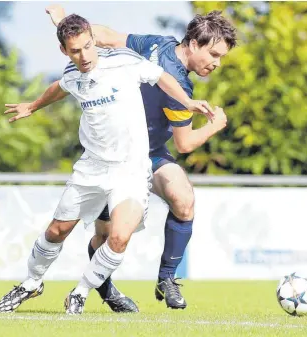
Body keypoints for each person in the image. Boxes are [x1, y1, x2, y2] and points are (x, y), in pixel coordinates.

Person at [0, 13, 214, 315]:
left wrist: (188, 103)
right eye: (75, 50)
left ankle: (81, 292)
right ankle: (32, 283)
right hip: (92, 168)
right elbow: (60, 87)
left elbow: (161, 77)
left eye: (88, 46)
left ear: (93, 41)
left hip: (131, 170)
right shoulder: (73, 73)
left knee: (119, 237)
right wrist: (32, 106)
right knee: (57, 232)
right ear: (65, 51)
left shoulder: (124, 62)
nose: (84, 56)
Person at [46, 6, 236, 310]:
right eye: (214, 54)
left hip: (151, 154)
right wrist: (215, 126)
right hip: (114, 156)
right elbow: (185, 144)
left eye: (221, 58)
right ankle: (107, 291)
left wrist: (64, 22)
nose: (217, 63)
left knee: (183, 199)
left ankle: (167, 279)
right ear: (195, 43)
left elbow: (107, 37)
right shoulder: (166, 64)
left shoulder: (162, 53)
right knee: (106, 236)